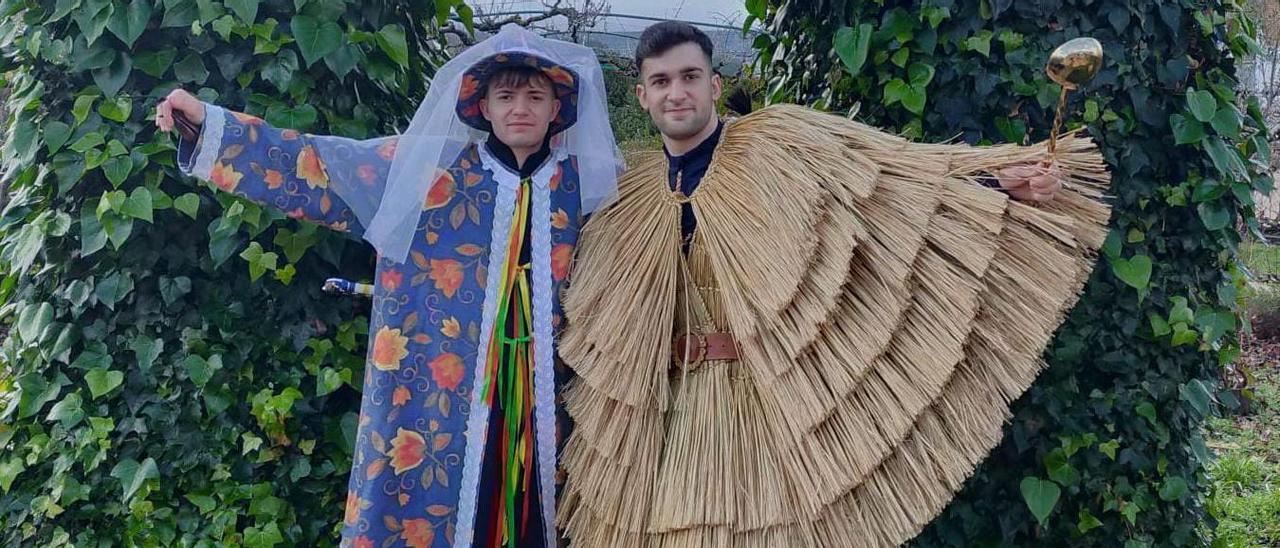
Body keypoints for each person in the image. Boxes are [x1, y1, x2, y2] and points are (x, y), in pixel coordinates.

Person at [556, 22, 1112, 547]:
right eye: (661, 82)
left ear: (715, 85)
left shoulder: (781, 142)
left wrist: (998, 182)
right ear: (642, 97)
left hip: (760, 409)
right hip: (662, 420)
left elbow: (895, 183)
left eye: (689, 77)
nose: (676, 93)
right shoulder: (628, 195)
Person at [156, 24, 620, 548]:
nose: (521, 108)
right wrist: (208, 125)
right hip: (443, 390)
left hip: (545, 395)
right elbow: (318, 165)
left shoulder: (581, 190)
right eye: (506, 95)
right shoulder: (429, 172)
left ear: (556, 108)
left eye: (536, 96)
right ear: (483, 107)